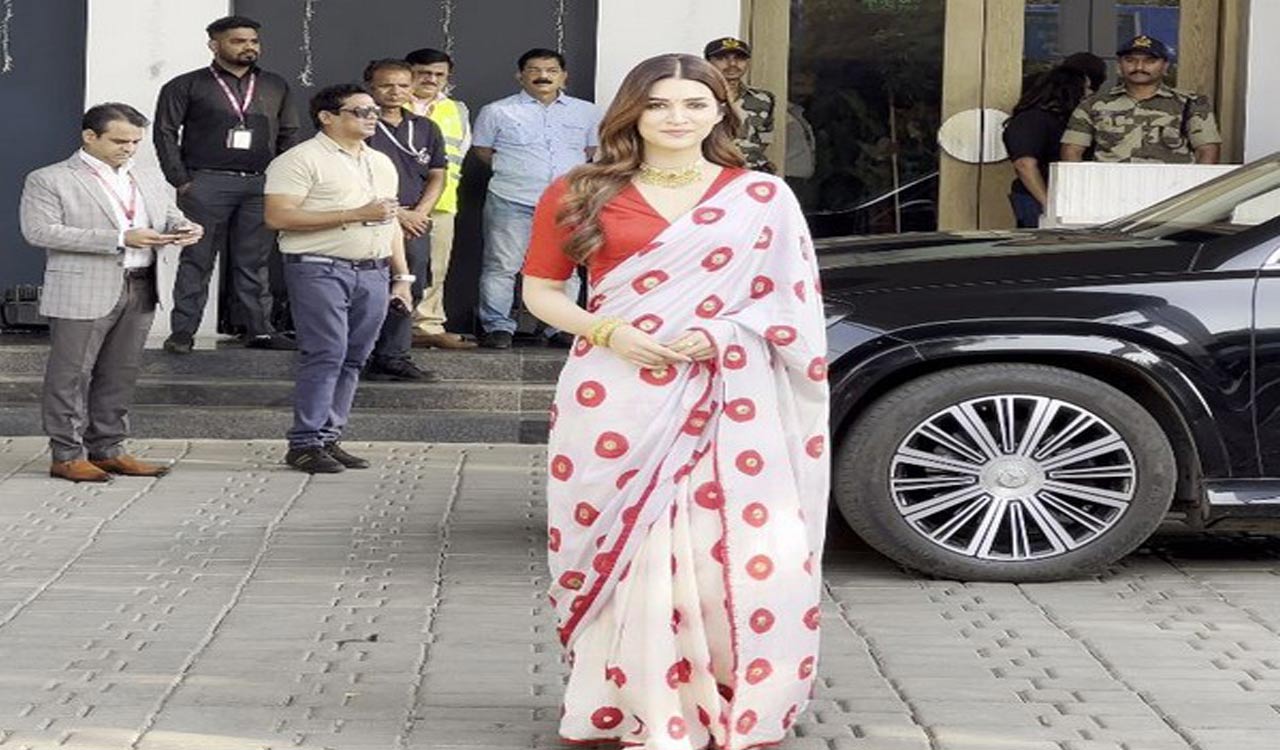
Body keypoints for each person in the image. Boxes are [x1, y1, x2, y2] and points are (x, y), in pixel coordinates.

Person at [521, 53, 830, 749]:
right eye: (659, 104)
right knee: (622, 547)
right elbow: (540, 291)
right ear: (632, 111)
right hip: (613, 391)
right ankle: (622, 700)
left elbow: (790, 304)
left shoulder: (761, 197)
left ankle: (724, 695)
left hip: (726, 395)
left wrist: (723, 333)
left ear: (722, 112)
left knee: (718, 550)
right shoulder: (580, 190)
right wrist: (610, 331)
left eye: (695, 103)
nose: (677, 118)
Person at [19, 103, 204, 482]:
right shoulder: (50, 178)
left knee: (120, 373)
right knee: (72, 374)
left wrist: (186, 227)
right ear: (90, 136)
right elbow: (39, 231)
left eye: (136, 141)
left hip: (142, 282)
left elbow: (168, 215)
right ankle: (66, 455)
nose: (129, 149)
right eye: (120, 141)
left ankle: (108, 449)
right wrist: (119, 238)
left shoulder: (148, 177)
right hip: (82, 286)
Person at [263, 84, 413, 474]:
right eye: (359, 111)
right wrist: (353, 213)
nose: (371, 117)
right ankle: (305, 442)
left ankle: (329, 437)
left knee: (355, 357)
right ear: (327, 117)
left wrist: (402, 276)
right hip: (319, 266)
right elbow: (278, 217)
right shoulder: (299, 159)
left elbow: (390, 218)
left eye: (373, 111)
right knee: (326, 351)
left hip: (374, 270)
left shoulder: (381, 161)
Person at [154, 14, 301, 354]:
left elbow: (290, 134)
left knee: (254, 261)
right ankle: (182, 333)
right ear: (214, 45)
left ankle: (259, 331)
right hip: (205, 182)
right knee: (197, 259)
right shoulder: (185, 84)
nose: (249, 47)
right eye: (238, 41)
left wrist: (280, 180)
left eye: (253, 41)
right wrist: (181, 180)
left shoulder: (275, 85)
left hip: (260, 184)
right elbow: (164, 132)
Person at [472, 47, 600, 349]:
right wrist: (518, 172)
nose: (543, 76)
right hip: (511, 198)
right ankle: (497, 326)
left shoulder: (588, 112)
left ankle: (560, 326)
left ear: (563, 76)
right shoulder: (497, 111)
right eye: (534, 70)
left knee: (566, 267)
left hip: (566, 202)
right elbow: (483, 151)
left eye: (551, 70)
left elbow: (590, 152)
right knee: (502, 265)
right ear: (520, 75)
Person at [362, 59, 447, 381]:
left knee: (410, 283)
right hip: (369, 217)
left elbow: (438, 174)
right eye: (386, 85)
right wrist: (399, 214)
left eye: (402, 85)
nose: (395, 92)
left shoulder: (425, 127)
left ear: (412, 88)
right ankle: (363, 353)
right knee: (369, 286)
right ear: (371, 88)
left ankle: (394, 355)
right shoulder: (361, 123)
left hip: (414, 220)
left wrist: (420, 213)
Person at [404, 47, 477, 350]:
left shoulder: (457, 109)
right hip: (396, 200)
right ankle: (388, 325)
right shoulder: (390, 101)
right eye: (424, 73)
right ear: (410, 72)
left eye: (439, 75)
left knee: (436, 266)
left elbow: (462, 151)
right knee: (389, 265)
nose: (432, 79)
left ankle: (427, 326)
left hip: (443, 201)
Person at [1061, 35, 1221, 165]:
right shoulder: (1093, 104)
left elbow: (1207, 150)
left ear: (1165, 67)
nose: (1139, 67)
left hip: (1172, 190)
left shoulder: (1190, 103)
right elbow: (1072, 150)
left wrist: (1195, 194)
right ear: (1119, 66)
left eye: (1150, 61)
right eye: (1130, 60)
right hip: (1110, 187)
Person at [1002, 65, 1091, 228]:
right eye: (1085, 88)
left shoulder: (1062, 119)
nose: (1089, 94)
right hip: (1038, 199)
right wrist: (1048, 205)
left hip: (1062, 199)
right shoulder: (1031, 119)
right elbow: (1024, 164)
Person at [704, 36, 776, 173]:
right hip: (711, 173)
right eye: (722, 58)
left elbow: (764, 139)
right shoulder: (697, 99)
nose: (732, 64)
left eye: (740, 58)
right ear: (708, 62)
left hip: (752, 173)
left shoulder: (763, 99)